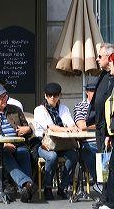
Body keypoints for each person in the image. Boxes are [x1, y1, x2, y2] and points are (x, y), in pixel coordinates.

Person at [0, 84, 36, 203]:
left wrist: (28, 129)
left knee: (24, 152)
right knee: (4, 153)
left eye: (5, 96)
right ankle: (27, 184)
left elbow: (26, 129)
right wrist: (4, 144)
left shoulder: (15, 110)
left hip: (17, 144)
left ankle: (25, 189)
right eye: (0, 98)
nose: (4, 99)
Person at [34, 82, 79, 200]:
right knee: (52, 156)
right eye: (49, 95)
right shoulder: (39, 110)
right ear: (45, 96)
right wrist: (68, 129)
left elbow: (70, 122)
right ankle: (47, 187)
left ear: (59, 96)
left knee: (74, 155)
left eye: (55, 95)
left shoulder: (63, 108)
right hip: (44, 145)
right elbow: (50, 127)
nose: (52, 98)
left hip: (62, 144)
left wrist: (72, 127)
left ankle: (62, 187)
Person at [92, 43, 114, 209]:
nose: (97, 59)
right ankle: (104, 196)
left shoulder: (112, 76)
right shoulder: (103, 75)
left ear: (110, 57)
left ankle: (108, 199)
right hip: (100, 128)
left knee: (109, 165)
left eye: (100, 56)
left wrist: (108, 131)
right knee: (103, 164)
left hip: (108, 130)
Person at [73, 76, 101, 193]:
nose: (94, 93)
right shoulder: (80, 106)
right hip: (88, 142)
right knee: (88, 150)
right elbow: (81, 125)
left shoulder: (103, 105)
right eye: (91, 90)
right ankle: (99, 182)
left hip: (104, 140)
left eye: (96, 90)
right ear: (86, 92)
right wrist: (101, 124)